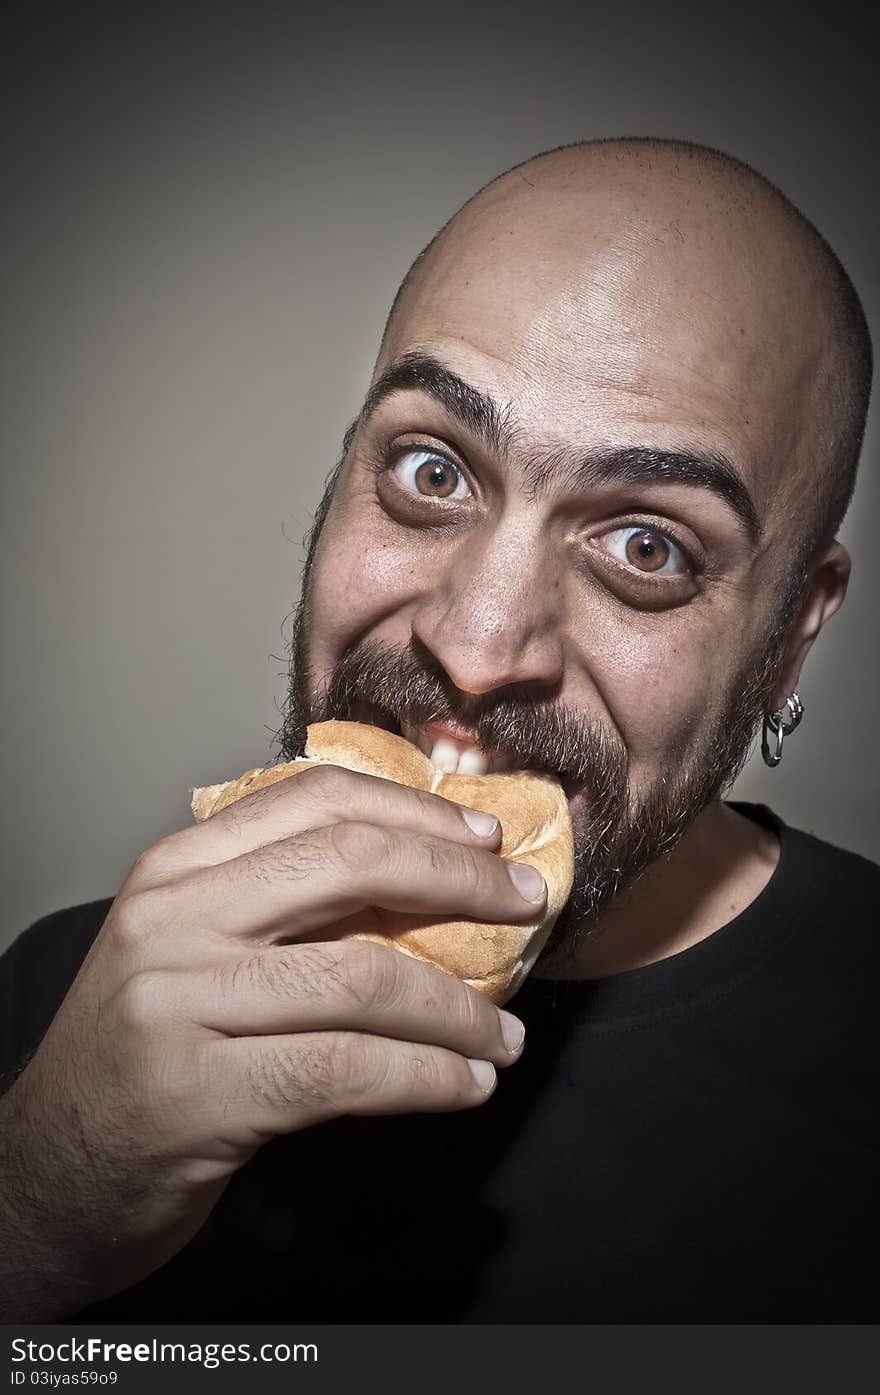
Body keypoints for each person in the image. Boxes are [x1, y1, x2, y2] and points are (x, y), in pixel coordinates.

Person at [1, 137, 877, 1323]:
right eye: (432, 469)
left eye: (646, 547)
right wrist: (34, 1214)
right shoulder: (75, 1002)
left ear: (787, 634)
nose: (472, 646)